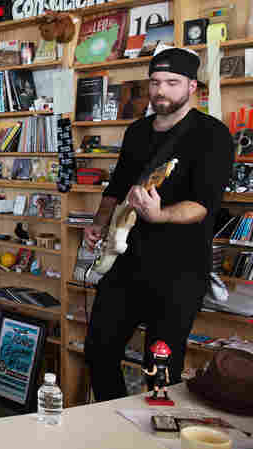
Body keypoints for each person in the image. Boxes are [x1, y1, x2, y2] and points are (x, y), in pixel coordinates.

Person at [83, 48, 234, 402]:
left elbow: (203, 205)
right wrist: (99, 223)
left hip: (179, 272)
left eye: (172, 82)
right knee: (99, 350)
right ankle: (113, 420)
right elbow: (116, 188)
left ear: (192, 86)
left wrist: (160, 215)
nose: (161, 90)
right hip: (126, 264)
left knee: (160, 367)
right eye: (154, 82)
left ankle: (156, 427)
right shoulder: (137, 132)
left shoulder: (212, 135)